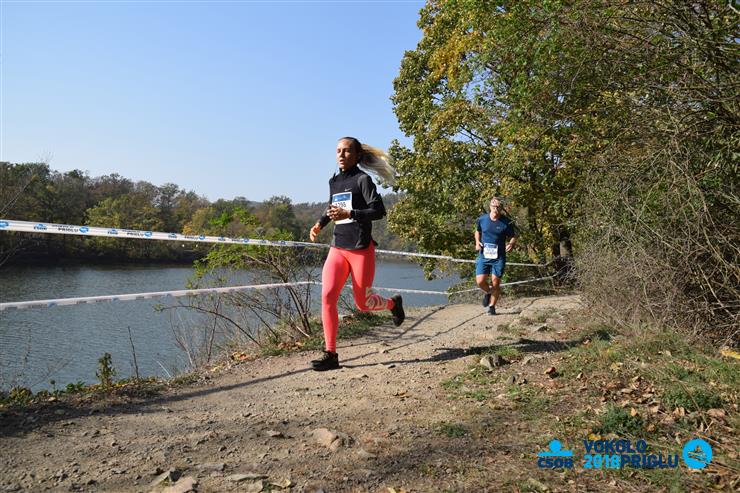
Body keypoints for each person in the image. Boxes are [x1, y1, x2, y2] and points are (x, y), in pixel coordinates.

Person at [308, 137, 405, 371]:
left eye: (347, 151)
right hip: (338, 248)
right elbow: (332, 207)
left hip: (360, 249)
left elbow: (378, 211)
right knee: (327, 297)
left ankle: (393, 304)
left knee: (364, 303)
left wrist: (350, 213)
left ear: (357, 155)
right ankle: (331, 353)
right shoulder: (334, 181)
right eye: (338, 151)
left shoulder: (363, 180)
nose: (341, 155)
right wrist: (320, 223)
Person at [475, 197, 517, 315]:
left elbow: (514, 236)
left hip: (499, 257)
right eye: (494, 206)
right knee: (480, 281)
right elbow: (477, 231)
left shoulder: (506, 222)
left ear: (502, 208)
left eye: (498, 207)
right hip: (484, 255)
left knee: (495, 283)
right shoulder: (482, 219)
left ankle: (492, 307)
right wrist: (477, 242)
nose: (496, 209)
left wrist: (511, 244)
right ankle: (489, 292)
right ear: (490, 207)